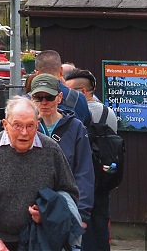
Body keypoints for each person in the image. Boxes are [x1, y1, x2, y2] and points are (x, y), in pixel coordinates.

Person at [0, 96, 80, 251]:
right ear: (5, 125)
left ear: (38, 125)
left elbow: (70, 193)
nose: (24, 132)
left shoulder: (51, 150)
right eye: (17, 125)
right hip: (0, 239)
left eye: (30, 126)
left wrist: (47, 215)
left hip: (39, 239)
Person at [30, 74, 94, 234]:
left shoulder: (76, 127)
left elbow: (84, 172)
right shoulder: (27, 127)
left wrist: (82, 215)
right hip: (32, 210)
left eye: (49, 97)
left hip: (65, 209)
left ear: (59, 98)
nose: (44, 102)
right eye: (38, 98)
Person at [65, 70, 117, 251]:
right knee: (101, 223)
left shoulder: (77, 114)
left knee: (84, 228)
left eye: (71, 92)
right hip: (104, 176)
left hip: (84, 177)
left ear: (83, 92)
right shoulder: (108, 112)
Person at [35, 50, 92, 126]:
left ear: (37, 74)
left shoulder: (26, 101)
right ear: (61, 71)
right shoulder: (79, 98)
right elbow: (87, 126)